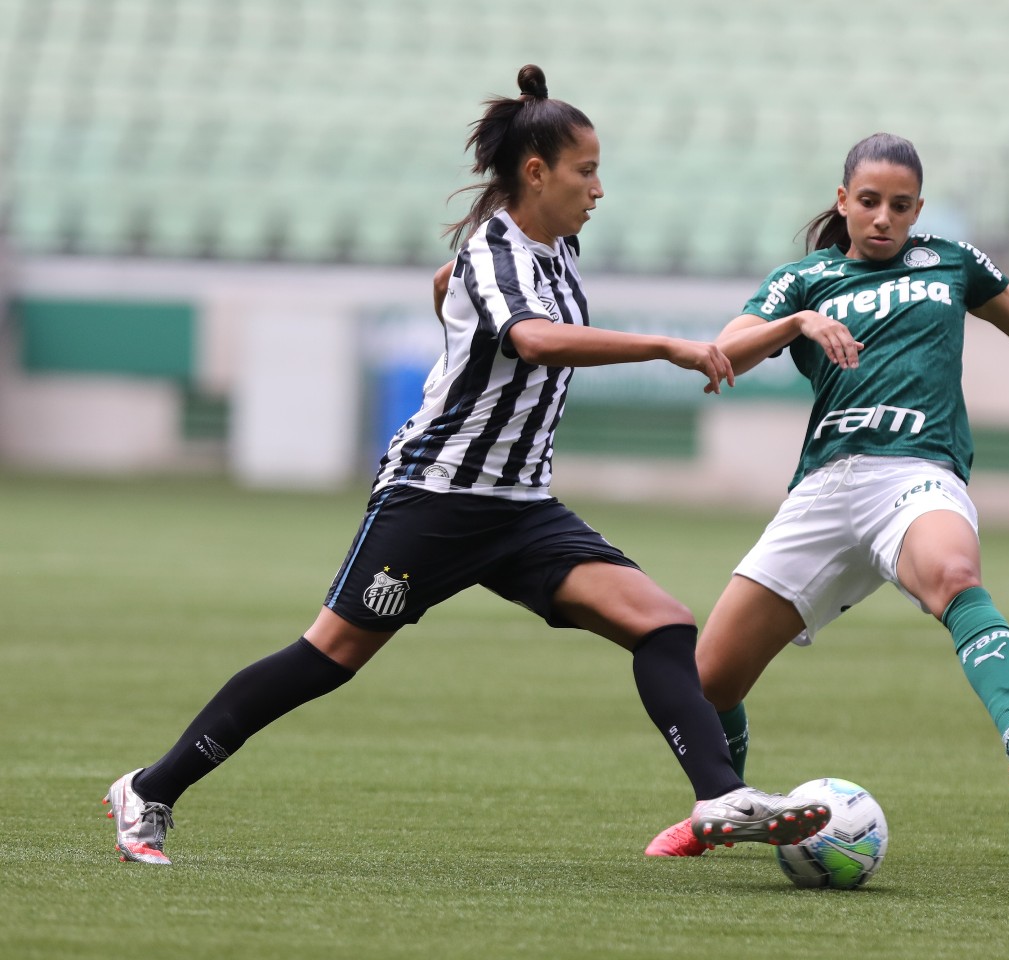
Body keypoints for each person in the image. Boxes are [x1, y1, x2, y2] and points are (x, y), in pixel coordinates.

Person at [103, 65, 831, 866]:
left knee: (662, 623)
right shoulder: (495, 248)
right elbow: (534, 339)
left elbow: (448, 285)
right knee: (328, 657)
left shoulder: (555, 246)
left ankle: (719, 797)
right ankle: (150, 789)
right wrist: (663, 344)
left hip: (522, 508)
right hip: (435, 498)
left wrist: (456, 320)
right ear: (536, 173)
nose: (598, 189)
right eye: (586, 171)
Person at [645, 132, 1009, 857]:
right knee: (709, 684)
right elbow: (719, 354)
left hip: (916, 473)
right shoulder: (805, 279)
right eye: (869, 201)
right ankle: (724, 806)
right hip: (826, 488)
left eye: (900, 205)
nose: (883, 218)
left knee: (954, 575)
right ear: (843, 201)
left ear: (918, 209)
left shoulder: (951, 263)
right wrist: (798, 322)